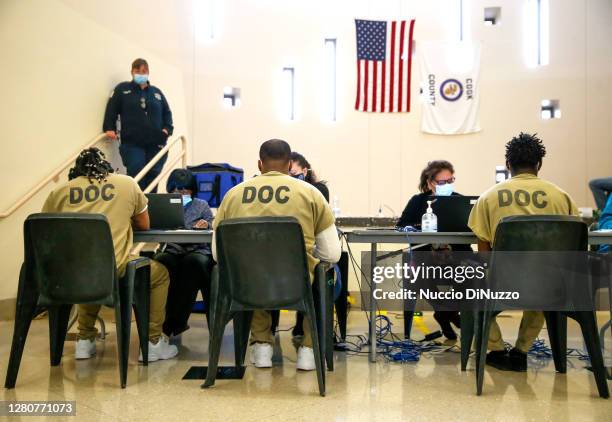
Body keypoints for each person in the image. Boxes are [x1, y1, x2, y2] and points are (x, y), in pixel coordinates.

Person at [212, 139, 342, 371]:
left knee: (255, 270)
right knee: (326, 272)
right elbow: (332, 253)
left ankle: (261, 346)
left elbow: (216, 253)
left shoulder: (232, 196)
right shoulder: (311, 194)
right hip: (298, 284)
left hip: (248, 287)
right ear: (289, 163)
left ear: (259, 164)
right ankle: (309, 351)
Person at [42, 148, 178, 362]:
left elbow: (46, 233)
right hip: (117, 269)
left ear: (76, 172)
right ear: (107, 167)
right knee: (160, 274)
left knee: (87, 267)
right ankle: (152, 342)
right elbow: (144, 224)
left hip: (72, 273)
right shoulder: (127, 183)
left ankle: (84, 340)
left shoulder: (59, 192)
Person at [468, 132, 578, 372]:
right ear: (539, 164)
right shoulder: (562, 197)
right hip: (551, 284)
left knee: (471, 284)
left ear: (508, 165)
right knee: (545, 280)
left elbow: (484, 253)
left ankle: (496, 350)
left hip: (504, 281)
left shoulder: (488, 198)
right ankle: (521, 351)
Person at [396, 160, 470, 340]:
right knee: (420, 273)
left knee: (472, 273)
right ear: (430, 183)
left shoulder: (460, 201)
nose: (447, 185)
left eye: (450, 180)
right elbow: (401, 226)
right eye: (442, 182)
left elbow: (471, 229)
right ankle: (447, 314)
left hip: (457, 256)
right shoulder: (418, 201)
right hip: (426, 256)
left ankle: (445, 313)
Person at [154, 169, 214, 337]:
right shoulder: (164, 205)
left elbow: (210, 225)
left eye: (185, 189)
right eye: (177, 189)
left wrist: (205, 225)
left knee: (193, 263)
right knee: (162, 261)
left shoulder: (201, 205)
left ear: (192, 190)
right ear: (170, 189)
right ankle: (165, 323)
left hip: (198, 250)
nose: (181, 192)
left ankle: (177, 322)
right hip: (172, 250)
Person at [103, 58, 174, 192]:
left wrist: (166, 130)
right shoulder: (122, 90)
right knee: (137, 172)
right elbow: (112, 109)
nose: (141, 74)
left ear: (148, 72)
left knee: (153, 174)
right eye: (137, 71)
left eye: (144, 71)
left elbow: (167, 113)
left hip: (156, 143)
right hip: (132, 142)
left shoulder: (156, 93)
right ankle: (137, 208)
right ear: (132, 72)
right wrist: (109, 128)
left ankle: (151, 208)